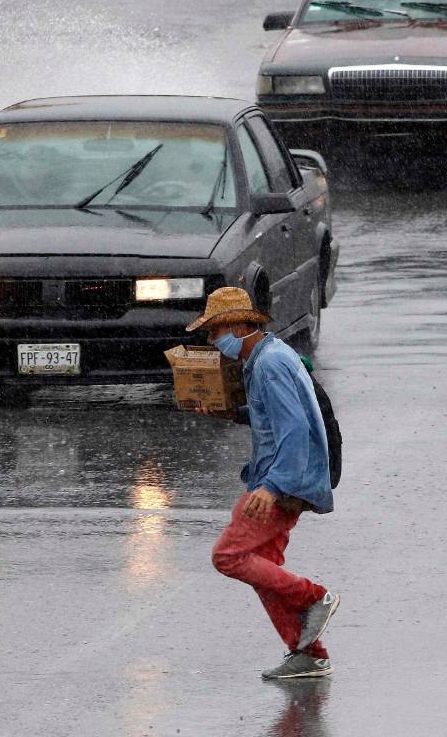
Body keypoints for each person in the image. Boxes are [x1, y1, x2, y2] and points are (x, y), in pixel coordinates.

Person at [187, 287, 340, 680]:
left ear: (239, 324)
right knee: (265, 568)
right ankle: (309, 655)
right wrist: (232, 414)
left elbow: (293, 428)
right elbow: (272, 416)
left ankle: (313, 596)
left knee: (229, 556)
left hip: (281, 478)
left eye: (214, 331)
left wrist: (272, 487)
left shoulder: (269, 363)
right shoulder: (266, 356)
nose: (211, 342)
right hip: (282, 474)